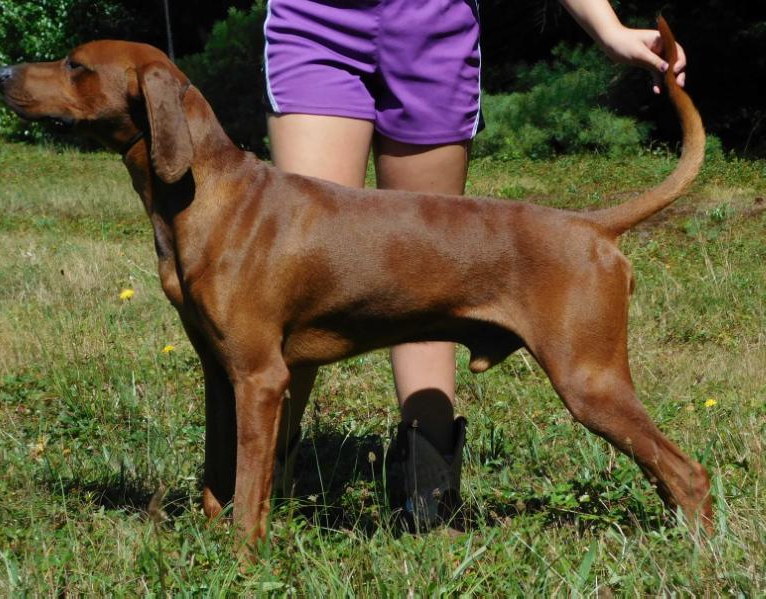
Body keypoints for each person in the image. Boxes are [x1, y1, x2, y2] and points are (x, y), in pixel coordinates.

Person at [264, 0, 687, 526]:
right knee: (306, 280)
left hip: (434, 27)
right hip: (317, 23)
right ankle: (260, 484)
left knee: (433, 281)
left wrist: (606, 25)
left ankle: (430, 493)